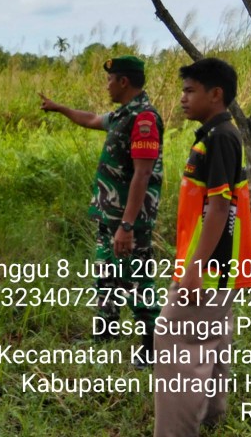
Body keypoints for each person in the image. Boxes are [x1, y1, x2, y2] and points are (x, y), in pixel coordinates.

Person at [40, 55, 163, 368]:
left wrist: (127, 225)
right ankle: (105, 331)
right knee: (107, 273)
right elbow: (92, 119)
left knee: (137, 279)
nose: (106, 84)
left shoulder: (144, 119)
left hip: (129, 220)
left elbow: (143, 174)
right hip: (111, 217)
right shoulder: (124, 114)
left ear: (123, 81)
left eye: (110, 79)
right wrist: (60, 108)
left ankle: (151, 345)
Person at [153, 58, 251, 437]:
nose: (182, 98)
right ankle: (211, 414)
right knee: (212, 336)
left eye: (189, 90)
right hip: (218, 268)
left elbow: (220, 205)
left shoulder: (220, 137)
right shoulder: (218, 135)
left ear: (216, 94)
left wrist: (193, 268)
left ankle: (176, 430)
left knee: (177, 340)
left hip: (208, 270)